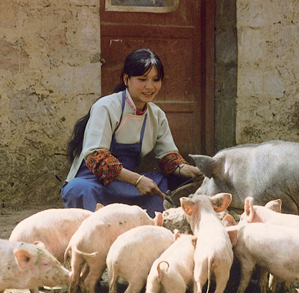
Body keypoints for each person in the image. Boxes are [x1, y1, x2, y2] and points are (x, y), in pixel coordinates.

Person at [61, 49, 202, 216]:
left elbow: (168, 158)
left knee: (166, 182)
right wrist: (137, 180)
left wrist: (191, 171)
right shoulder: (106, 107)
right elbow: (96, 156)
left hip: (127, 185)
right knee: (78, 189)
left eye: (156, 80)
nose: (150, 86)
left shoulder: (157, 115)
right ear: (126, 79)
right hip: (94, 183)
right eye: (142, 79)